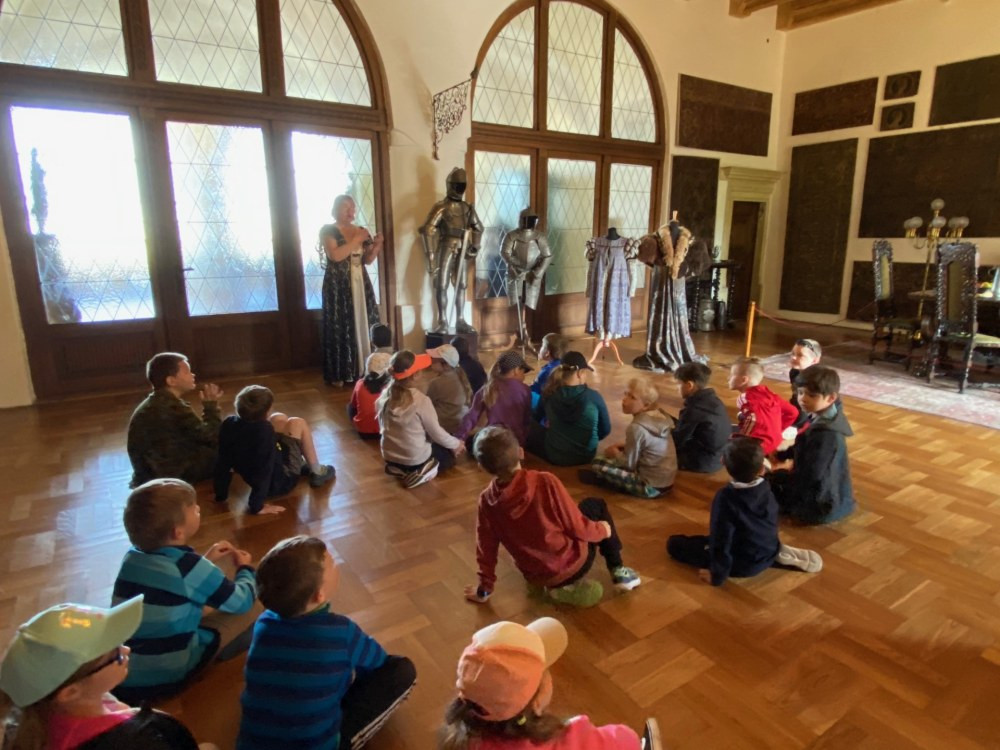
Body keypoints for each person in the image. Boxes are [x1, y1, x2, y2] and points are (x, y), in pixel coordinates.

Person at [238, 536, 416, 750]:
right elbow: (378, 663)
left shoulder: (263, 623)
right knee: (401, 670)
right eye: (331, 562)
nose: (337, 563)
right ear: (319, 595)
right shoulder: (341, 631)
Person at [111, 479, 260, 703]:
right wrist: (245, 569)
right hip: (167, 677)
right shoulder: (188, 567)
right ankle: (219, 654)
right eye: (193, 508)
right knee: (256, 604)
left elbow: (171, 583)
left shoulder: (133, 556)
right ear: (178, 532)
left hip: (123, 673)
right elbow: (242, 600)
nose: (198, 507)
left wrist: (205, 561)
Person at [0, 597, 217, 750]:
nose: (126, 650)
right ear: (70, 692)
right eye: (116, 655)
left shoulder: (26, 723)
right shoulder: (143, 740)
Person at [465, 426, 640, 608]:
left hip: (534, 575)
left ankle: (545, 587)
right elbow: (577, 527)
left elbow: (485, 548)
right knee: (596, 505)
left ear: (481, 467)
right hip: (572, 566)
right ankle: (619, 571)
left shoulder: (486, 501)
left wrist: (484, 589)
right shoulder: (545, 481)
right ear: (521, 453)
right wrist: (602, 530)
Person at [439, 617, 661, 750]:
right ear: (536, 702)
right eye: (545, 670)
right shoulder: (574, 741)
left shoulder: (462, 740)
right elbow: (625, 738)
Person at [667, 438, 823, 586]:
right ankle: (772, 554)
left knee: (675, 544)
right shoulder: (766, 487)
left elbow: (721, 539)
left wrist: (717, 575)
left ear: (723, 462)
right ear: (761, 469)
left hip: (743, 564)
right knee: (715, 540)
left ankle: (761, 558)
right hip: (768, 546)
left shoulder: (725, 498)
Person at [214, 385, 335, 515]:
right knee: (298, 422)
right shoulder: (264, 431)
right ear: (267, 411)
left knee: (278, 417)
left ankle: (302, 464)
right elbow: (264, 470)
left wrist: (220, 494)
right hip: (281, 481)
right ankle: (317, 471)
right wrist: (257, 506)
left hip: (254, 468)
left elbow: (222, 460)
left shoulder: (229, 423)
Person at [769, 365, 856, 524]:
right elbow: (805, 444)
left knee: (764, 489)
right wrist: (784, 455)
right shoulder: (825, 415)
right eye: (800, 392)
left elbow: (811, 476)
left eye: (812, 395)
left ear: (831, 398)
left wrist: (778, 476)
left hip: (821, 503)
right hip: (819, 488)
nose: (803, 399)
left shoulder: (826, 436)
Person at [127, 352, 222, 488]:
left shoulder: (155, 402)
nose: (193, 375)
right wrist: (210, 407)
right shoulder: (172, 406)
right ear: (171, 381)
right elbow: (211, 436)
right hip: (169, 475)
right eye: (187, 372)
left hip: (148, 473)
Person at [377, 350, 465, 489]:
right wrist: (456, 444)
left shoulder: (383, 397)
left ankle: (400, 469)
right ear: (416, 375)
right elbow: (436, 433)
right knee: (448, 457)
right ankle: (422, 472)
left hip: (389, 456)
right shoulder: (422, 401)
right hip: (414, 459)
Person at [319, 194, 382, 387]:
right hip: (338, 284)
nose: (350, 211)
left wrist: (377, 245)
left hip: (360, 280)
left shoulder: (360, 230)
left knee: (364, 320)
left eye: (352, 207)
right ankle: (341, 372)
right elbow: (335, 255)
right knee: (341, 324)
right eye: (346, 206)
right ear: (336, 208)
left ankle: (365, 368)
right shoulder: (328, 230)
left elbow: (367, 260)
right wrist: (356, 240)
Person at [586, 377, 676, 498]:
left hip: (650, 487)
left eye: (632, 397)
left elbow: (628, 464)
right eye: (627, 394)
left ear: (646, 405)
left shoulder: (636, 428)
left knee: (597, 463)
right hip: (667, 483)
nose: (624, 399)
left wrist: (614, 454)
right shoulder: (658, 417)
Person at [419, 167, 484, 334]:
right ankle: (443, 321)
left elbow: (478, 228)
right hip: (446, 246)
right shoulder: (441, 207)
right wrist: (431, 256)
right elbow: (428, 229)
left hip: (463, 247)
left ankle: (460, 319)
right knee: (441, 285)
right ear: (450, 185)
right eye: (457, 185)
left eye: (462, 185)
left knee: (461, 285)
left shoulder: (467, 208)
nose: (459, 188)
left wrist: (475, 246)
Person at [528, 351, 611, 466]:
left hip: (554, 455)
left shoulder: (549, 393)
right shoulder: (594, 397)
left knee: (528, 424)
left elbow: (537, 417)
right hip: (586, 456)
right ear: (579, 373)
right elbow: (605, 430)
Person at [454, 350, 533, 450]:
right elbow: (526, 421)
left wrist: (459, 438)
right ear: (516, 370)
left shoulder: (487, 389)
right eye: (523, 372)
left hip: (492, 442)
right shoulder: (525, 390)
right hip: (515, 442)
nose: (524, 376)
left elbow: (471, 417)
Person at [728, 357, 798, 456]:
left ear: (744, 380)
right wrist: (778, 429)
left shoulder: (744, 399)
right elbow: (793, 412)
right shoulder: (770, 395)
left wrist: (739, 442)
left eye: (731, 375)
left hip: (758, 447)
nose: (728, 378)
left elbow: (752, 419)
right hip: (776, 441)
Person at [671, 361, 731, 473]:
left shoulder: (694, 409)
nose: (676, 388)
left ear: (689, 385)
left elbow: (677, 440)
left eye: (678, 384)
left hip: (704, 461)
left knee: (654, 450)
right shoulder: (714, 400)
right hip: (720, 456)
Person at [426, 344, 473, 433]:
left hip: (445, 425)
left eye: (434, 360)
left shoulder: (436, 383)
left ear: (446, 365)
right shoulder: (459, 374)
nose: (431, 361)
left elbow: (427, 404)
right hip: (460, 421)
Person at [349, 351, 392, 439]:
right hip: (387, 431)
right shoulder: (392, 386)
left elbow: (353, 404)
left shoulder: (360, 383)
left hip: (364, 432)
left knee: (349, 406)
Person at [788, 338, 822, 428]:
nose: (793, 357)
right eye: (793, 353)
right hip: (800, 406)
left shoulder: (818, 380)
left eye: (800, 355)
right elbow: (795, 396)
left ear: (815, 360)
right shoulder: (794, 372)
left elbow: (817, 409)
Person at [530, 333, 568, 409]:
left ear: (547, 352)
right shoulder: (565, 364)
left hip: (547, 407)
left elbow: (536, 390)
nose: (540, 348)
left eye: (542, 346)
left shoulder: (547, 371)